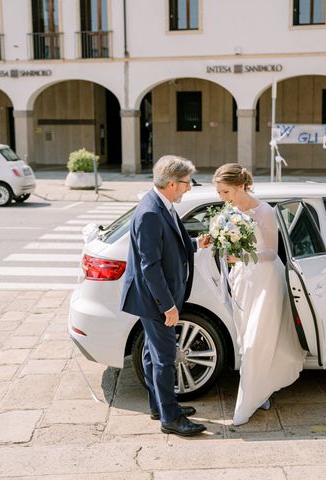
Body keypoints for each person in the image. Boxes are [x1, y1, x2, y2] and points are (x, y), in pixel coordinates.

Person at [208, 163, 306, 426]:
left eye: (225, 191)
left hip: (265, 281)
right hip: (242, 280)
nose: (221, 197)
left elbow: (272, 252)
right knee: (244, 338)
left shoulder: (265, 212)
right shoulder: (229, 211)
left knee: (256, 340)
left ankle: (248, 401)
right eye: (219, 192)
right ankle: (260, 388)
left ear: (241, 186)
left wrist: (239, 255)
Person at [120, 154, 208, 437]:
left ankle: (159, 406)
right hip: (155, 300)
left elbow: (167, 246)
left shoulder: (161, 205)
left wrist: (196, 244)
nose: (189, 188)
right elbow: (150, 265)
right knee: (165, 357)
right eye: (186, 183)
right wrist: (168, 306)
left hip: (155, 298)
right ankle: (171, 418)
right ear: (172, 183)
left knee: (151, 353)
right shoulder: (149, 212)